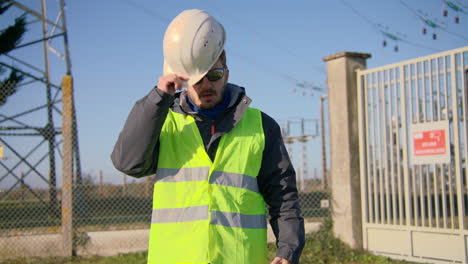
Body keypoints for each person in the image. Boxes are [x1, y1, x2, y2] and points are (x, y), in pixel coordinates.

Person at [111, 9, 304, 264]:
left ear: (227, 73)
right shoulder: (162, 121)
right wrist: (159, 98)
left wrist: (288, 251)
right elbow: (128, 163)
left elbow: (283, 197)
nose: (206, 84)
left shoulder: (261, 126)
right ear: (183, 79)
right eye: (198, 77)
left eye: (214, 75)